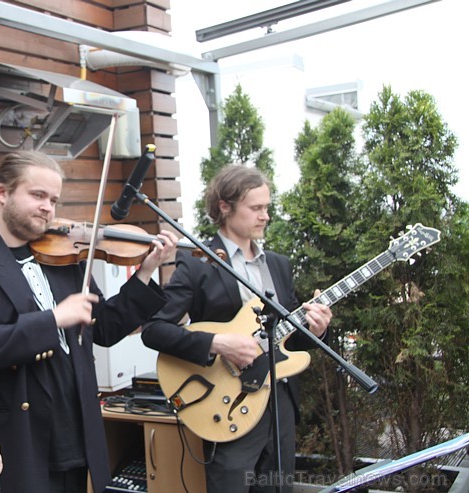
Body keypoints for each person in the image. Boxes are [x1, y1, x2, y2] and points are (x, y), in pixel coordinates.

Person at [0, 150, 178, 493]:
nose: (48, 207)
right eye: (37, 195)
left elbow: (103, 328)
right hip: (22, 436)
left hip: (75, 429)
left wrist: (146, 271)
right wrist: (52, 321)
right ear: (2, 193)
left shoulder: (66, 257)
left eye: (54, 199)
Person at [142, 165, 332, 493]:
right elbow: (154, 329)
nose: (266, 216)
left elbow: (288, 338)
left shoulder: (278, 265)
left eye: (267, 208)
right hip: (227, 404)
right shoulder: (197, 262)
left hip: (280, 405)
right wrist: (218, 343)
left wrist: (318, 328)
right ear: (225, 207)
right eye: (256, 208)